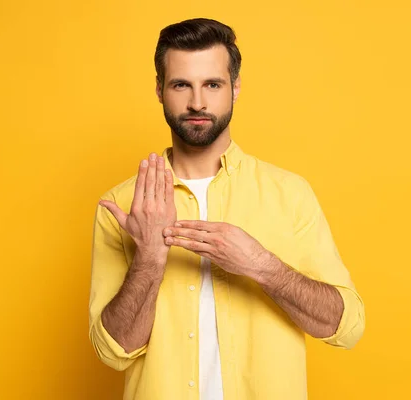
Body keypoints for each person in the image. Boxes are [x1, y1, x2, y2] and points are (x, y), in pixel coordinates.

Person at [88, 17, 365, 400]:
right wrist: (150, 256)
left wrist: (264, 266)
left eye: (213, 85)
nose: (197, 102)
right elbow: (113, 351)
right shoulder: (121, 205)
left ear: (235, 88)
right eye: (181, 84)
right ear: (159, 90)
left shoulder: (290, 194)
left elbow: (347, 327)